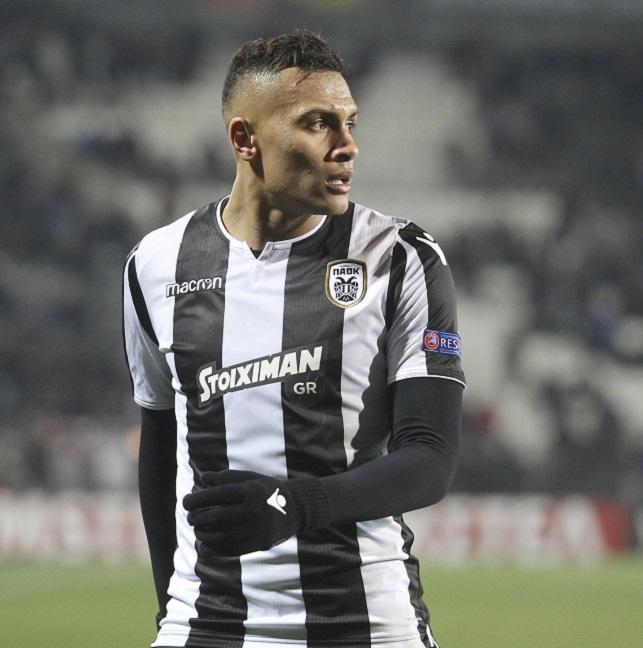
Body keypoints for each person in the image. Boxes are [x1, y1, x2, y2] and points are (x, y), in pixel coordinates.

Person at [122, 30, 465, 648]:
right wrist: (171, 606)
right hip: (207, 620)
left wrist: (294, 505)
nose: (347, 145)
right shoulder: (155, 265)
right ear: (244, 139)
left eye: (349, 123)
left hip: (365, 623)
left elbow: (430, 458)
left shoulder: (401, 258)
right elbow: (160, 446)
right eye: (317, 123)